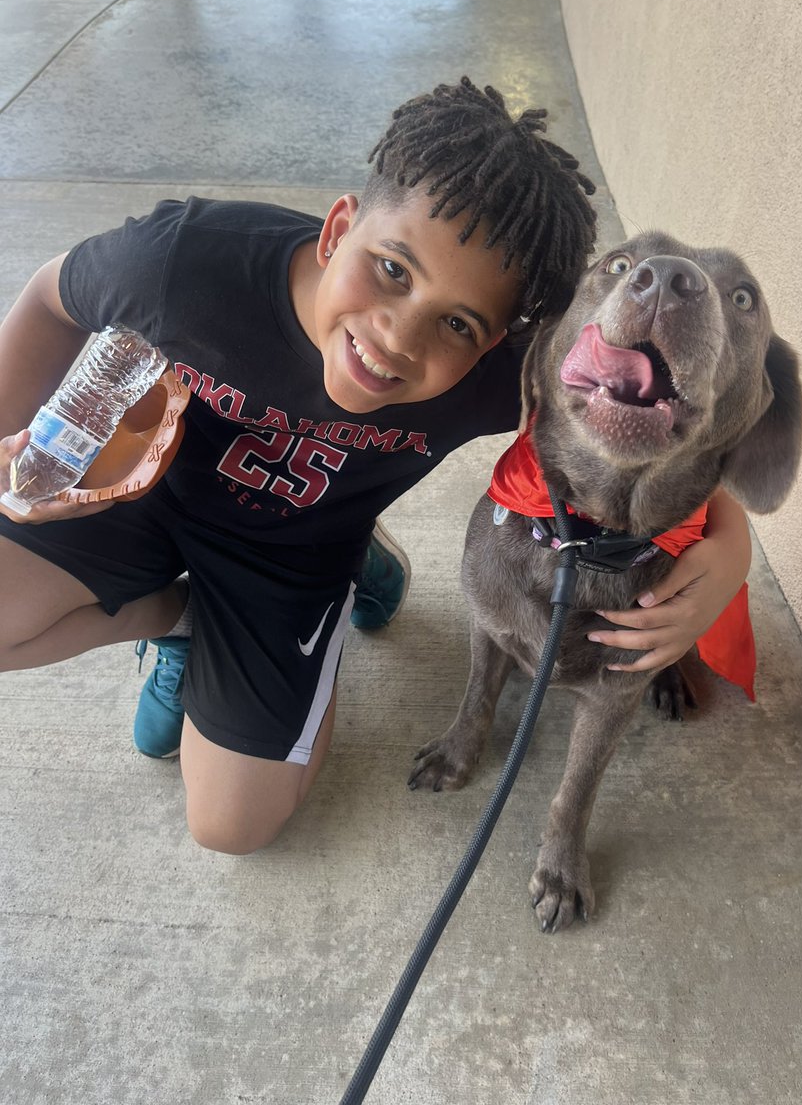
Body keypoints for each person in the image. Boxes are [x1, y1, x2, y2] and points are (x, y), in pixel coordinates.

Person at [0, 78, 750, 856]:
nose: (397, 337)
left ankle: (342, 569)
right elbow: (49, 297)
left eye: (458, 323)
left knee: (231, 828)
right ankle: (177, 619)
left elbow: (659, 432)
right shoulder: (186, 262)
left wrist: (730, 548)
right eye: (391, 269)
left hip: (291, 555)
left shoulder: (514, 375)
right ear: (337, 230)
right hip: (149, 495)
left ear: (498, 344)